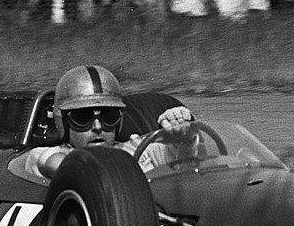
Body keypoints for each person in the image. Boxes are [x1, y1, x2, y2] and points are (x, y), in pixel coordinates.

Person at [22, 64, 196, 178]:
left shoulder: (138, 149)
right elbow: (51, 163)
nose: (98, 127)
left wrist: (183, 132)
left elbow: (184, 161)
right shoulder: (50, 154)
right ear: (64, 123)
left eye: (108, 116)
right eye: (83, 117)